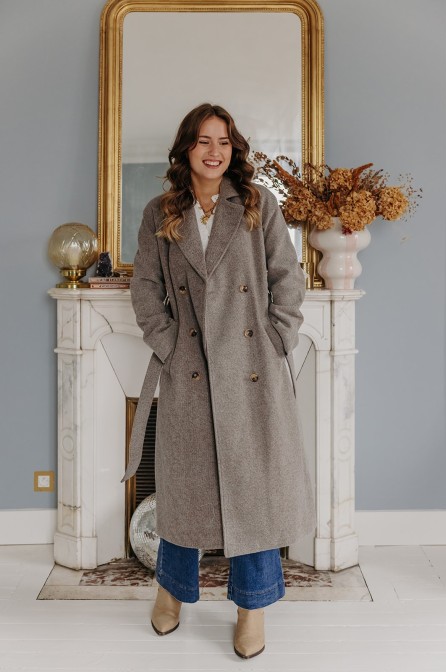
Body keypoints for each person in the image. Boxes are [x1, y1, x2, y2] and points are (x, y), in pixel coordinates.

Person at [123, 103, 316, 659]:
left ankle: (252, 608)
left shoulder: (257, 205)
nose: (214, 151)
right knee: (186, 492)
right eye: (204, 141)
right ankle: (171, 591)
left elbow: (288, 277)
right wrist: (168, 341)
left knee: (253, 492)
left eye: (224, 142)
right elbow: (146, 288)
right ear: (186, 148)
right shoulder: (162, 211)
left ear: (234, 150)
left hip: (252, 370)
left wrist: (279, 337)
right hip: (188, 369)